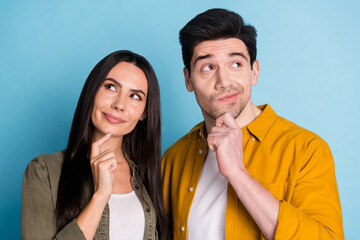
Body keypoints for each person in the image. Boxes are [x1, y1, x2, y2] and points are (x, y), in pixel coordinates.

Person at [162, 8, 344, 240]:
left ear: (254, 72)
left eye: (235, 64)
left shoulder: (307, 149)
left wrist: (238, 173)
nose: (224, 81)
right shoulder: (173, 158)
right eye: (208, 67)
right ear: (188, 80)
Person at [21, 50, 169, 240]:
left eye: (135, 96)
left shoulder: (148, 175)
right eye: (111, 87)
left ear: (144, 113)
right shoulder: (44, 171)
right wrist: (100, 195)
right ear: (92, 92)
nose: (119, 104)